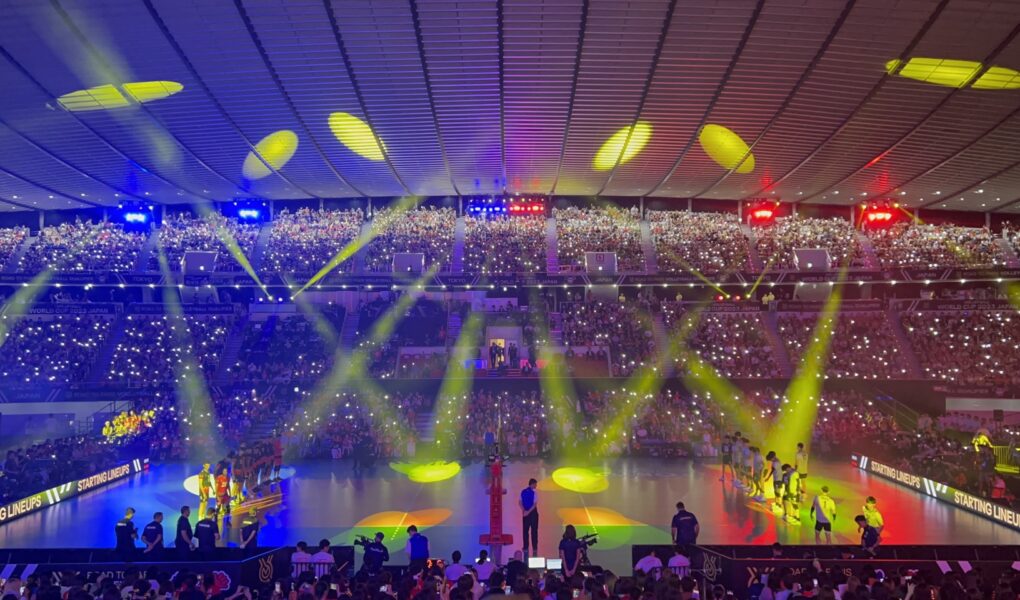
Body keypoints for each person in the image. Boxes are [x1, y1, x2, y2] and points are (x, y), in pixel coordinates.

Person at [519, 477, 539, 556]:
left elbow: (520, 502)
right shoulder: (534, 492)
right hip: (532, 513)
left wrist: (524, 511)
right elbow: (534, 504)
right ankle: (534, 548)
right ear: (532, 484)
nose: (536, 486)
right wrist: (527, 512)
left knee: (526, 531)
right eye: (535, 484)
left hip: (526, 512)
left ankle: (526, 547)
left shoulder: (523, 491)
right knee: (533, 531)